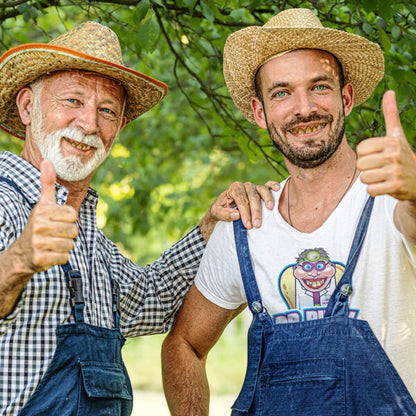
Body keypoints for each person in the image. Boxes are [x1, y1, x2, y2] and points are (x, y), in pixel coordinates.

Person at [0, 21, 277, 416]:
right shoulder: (5, 200)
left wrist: (209, 227)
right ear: (28, 107)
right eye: (73, 101)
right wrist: (18, 261)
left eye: (107, 110)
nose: (90, 123)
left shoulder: (91, 242)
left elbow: (155, 298)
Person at [161, 7, 416, 416]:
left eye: (319, 87)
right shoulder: (246, 225)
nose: (303, 108)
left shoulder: (394, 201)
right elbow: (183, 345)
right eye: (281, 93)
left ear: (345, 98)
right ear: (260, 113)